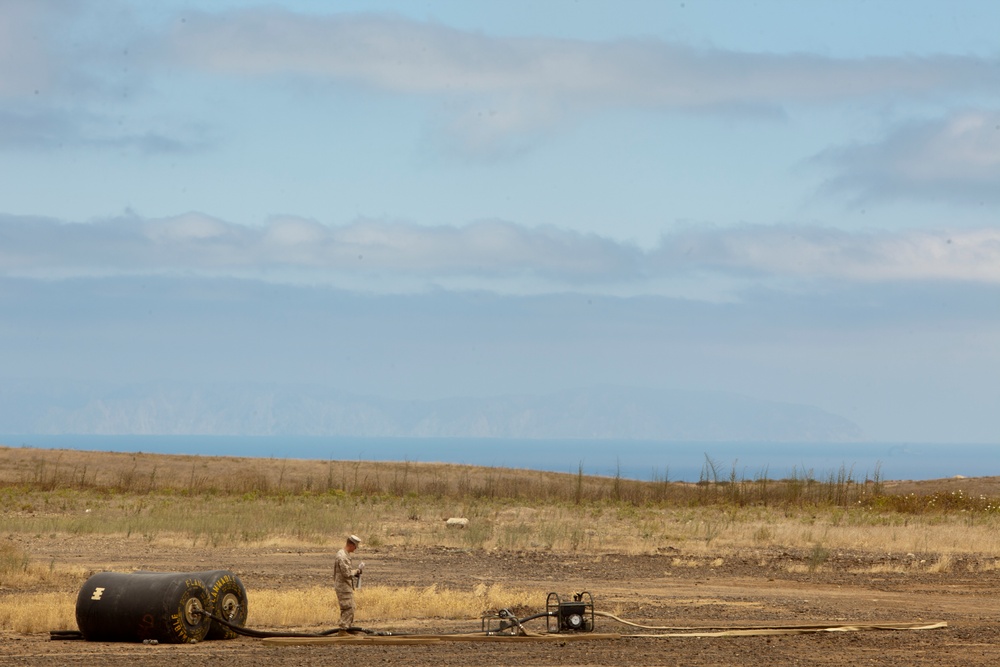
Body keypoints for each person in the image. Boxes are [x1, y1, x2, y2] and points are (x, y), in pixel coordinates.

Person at [334, 534, 364, 632]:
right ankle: (343, 630)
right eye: (355, 546)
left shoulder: (344, 554)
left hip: (346, 587)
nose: (355, 549)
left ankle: (348, 629)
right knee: (347, 608)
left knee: (351, 607)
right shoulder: (342, 556)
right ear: (351, 545)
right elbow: (346, 573)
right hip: (343, 587)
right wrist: (356, 571)